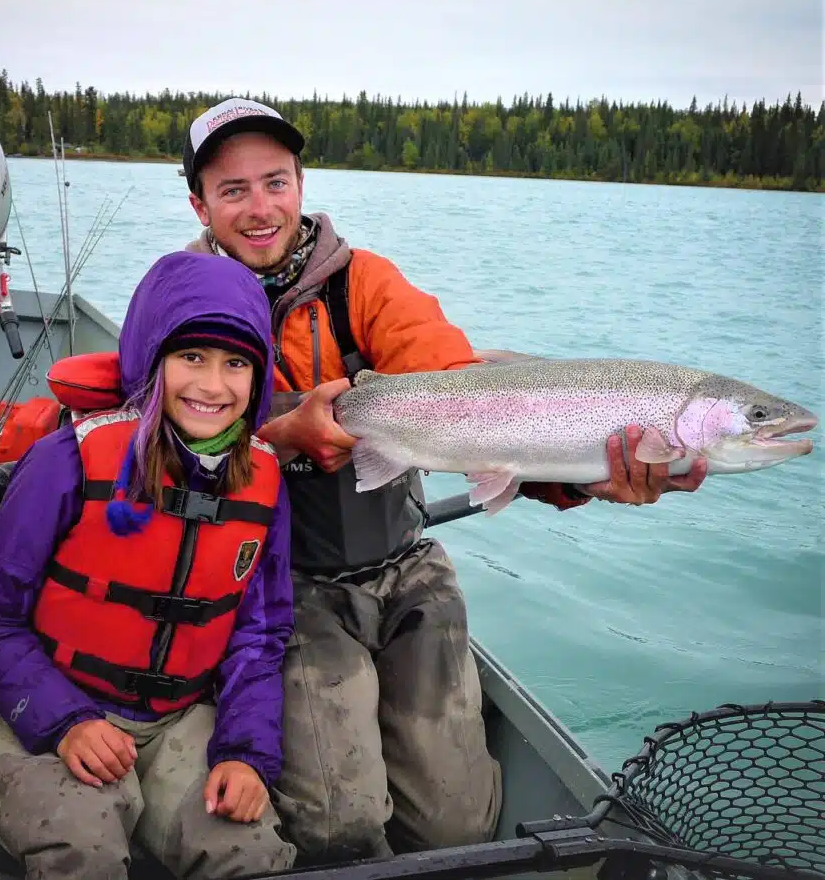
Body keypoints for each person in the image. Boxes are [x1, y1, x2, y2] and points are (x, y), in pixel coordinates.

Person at [181, 98, 709, 861]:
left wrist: (586, 477)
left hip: (403, 567)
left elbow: (475, 403)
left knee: (457, 827)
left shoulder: (363, 283)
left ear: (302, 184)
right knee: (339, 822)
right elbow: (151, 438)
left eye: (276, 182)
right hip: (276, 586)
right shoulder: (182, 303)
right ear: (199, 203)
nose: (260, 208)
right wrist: (283, 433)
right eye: (233, 191)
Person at [0, 251, 297, 880]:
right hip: (51, 706)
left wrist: (246, 755)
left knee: (248, 854)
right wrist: (65, 721)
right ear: (153, 361)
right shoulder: (68, 462)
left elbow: (260, 638)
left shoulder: (267, 485)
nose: (213, 386)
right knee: (83, 851)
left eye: (236, 363)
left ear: (259, 375)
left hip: (181, 720)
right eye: (191, 358)